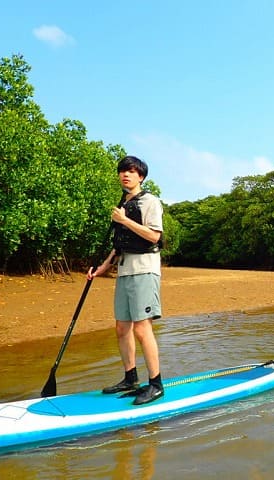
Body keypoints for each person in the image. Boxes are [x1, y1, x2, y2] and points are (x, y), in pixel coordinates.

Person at [88, 155, 165, 405]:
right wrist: (101, 268)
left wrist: (124, 220)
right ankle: (130, 378)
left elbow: (154, 236)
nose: (126, 175)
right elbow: (119, 245)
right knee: (122, 328)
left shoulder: (150, 201)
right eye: (122, 171)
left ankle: (155, 384)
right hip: (124, 271)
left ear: (140, 176)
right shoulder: (123, 204)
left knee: (142, 328)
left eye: (131, 172)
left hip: (144, 270)